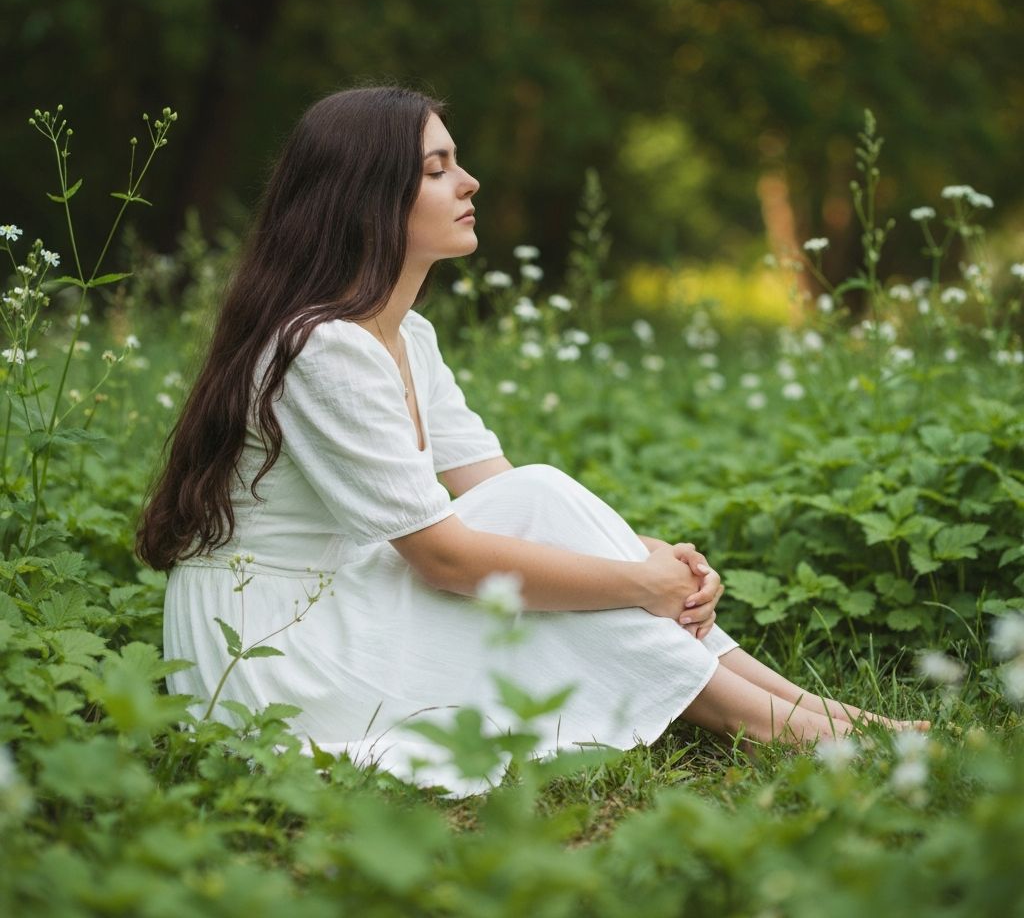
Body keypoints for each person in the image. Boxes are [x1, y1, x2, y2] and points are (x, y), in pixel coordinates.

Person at [137, 86, 924, 795]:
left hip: (338, 599)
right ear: (368, 197)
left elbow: (499, 498)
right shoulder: (322, 347)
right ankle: (786, 727)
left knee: (539, 493)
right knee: (548, 506)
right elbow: (446, 558)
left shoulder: (405, 333)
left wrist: (653, 560)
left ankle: (817, 714)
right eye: (438, 167)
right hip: (271, 650)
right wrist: (638, 583)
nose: (469, 181)